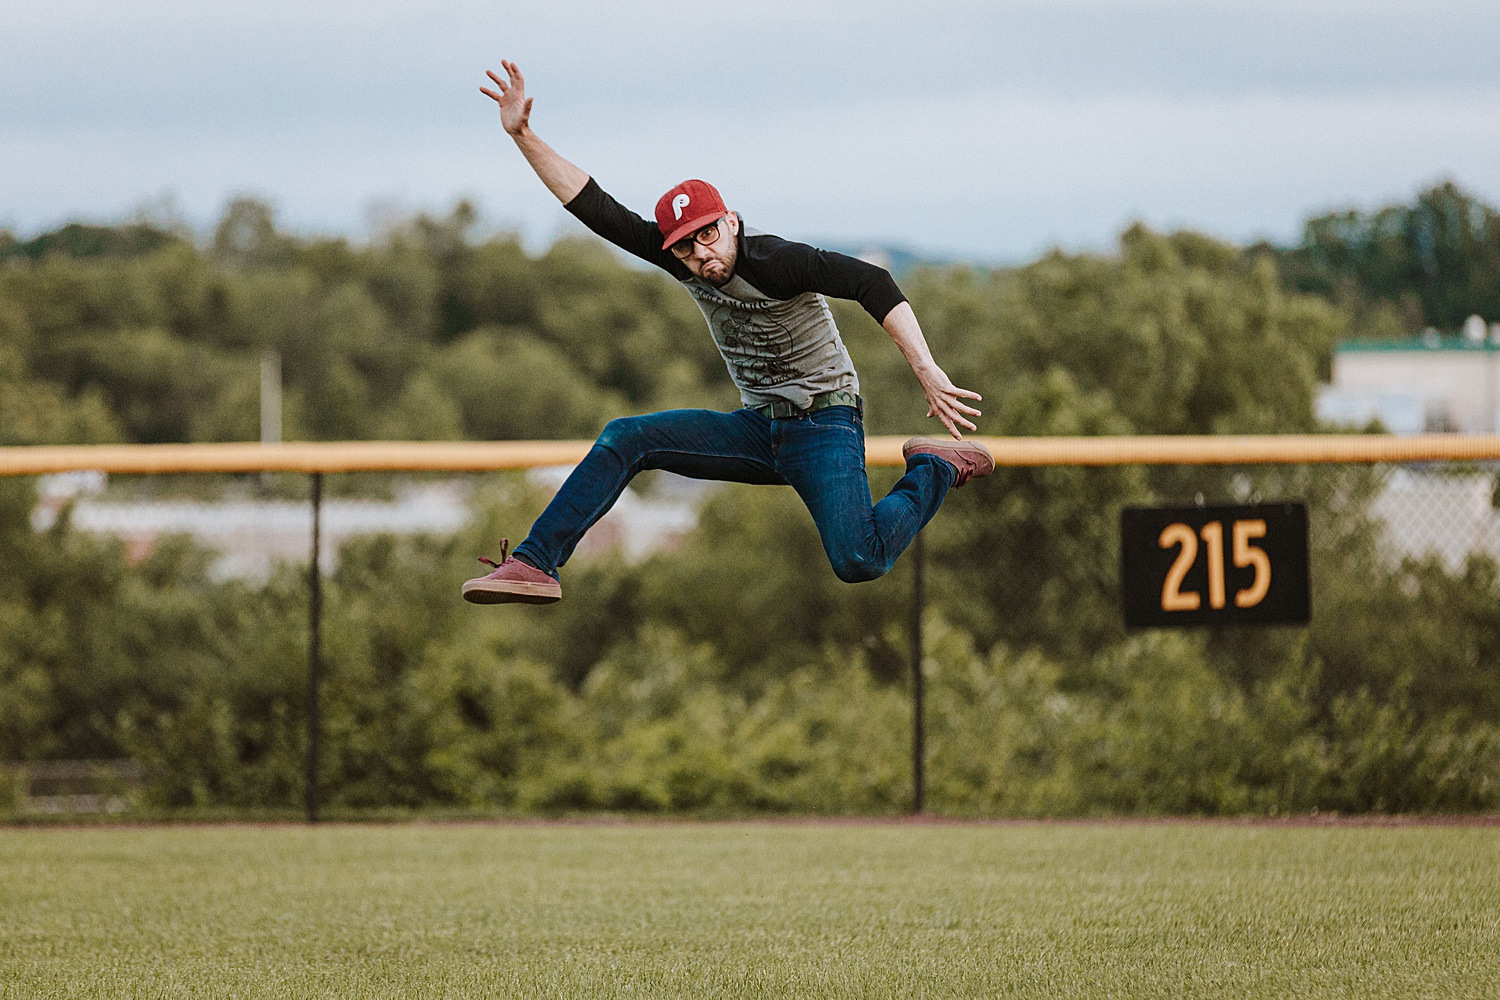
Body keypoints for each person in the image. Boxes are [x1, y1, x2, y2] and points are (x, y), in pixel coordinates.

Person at [463, 59, 994, 605]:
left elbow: (873, 282)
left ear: (731, 222)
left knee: (859, 559)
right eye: (686, 248)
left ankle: (934, 466)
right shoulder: (681, 258)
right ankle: (535, 562)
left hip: (824, 423)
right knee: (628, 437)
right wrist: (524, 136)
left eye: (709, 236)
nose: (702, 255)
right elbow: (595, 208)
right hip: (756, 429)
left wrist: (926, 370)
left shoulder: (776, 261)